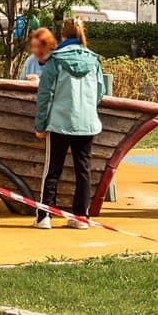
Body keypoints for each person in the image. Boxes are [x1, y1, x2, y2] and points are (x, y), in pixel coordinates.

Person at [31, 17, 102, 229]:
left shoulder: (56, 60)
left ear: (62, 34)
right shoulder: (94, 60)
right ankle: (81, 217)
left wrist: (40, 124)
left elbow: (45, 94)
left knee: (52, 169)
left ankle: (45, 216)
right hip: (87, 122)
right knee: (83, 170)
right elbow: (100, 92)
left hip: (60, 121)